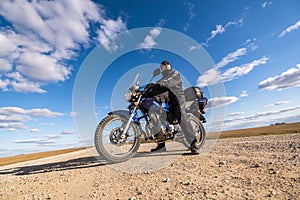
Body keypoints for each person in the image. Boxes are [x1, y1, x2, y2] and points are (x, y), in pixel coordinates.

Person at [150, 60, 200, 154]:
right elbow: (159, 85)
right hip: (168, 99)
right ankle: (161, 146)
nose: (165, 67)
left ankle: (193, 144)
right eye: (163, 66)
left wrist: (159, 84)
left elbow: (168, 82)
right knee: (160, 117)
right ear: (161, 68)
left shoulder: (174, 74)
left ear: (169, 66)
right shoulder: (162, 78)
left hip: (177, 97)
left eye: (167, 65)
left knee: (181, 115)